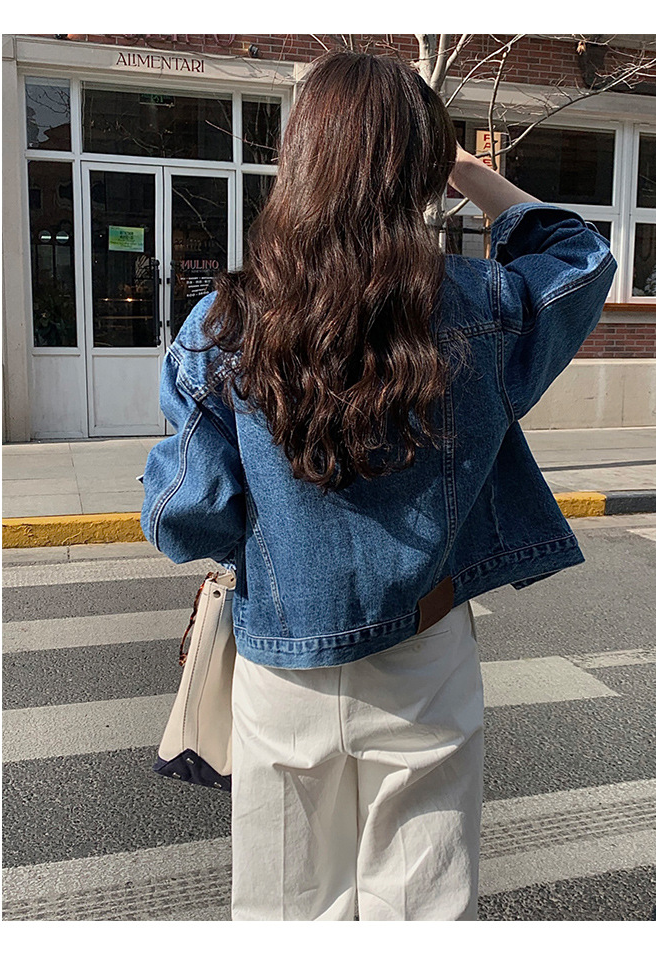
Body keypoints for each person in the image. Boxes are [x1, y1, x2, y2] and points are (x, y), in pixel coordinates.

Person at [140, 49, 617, 921]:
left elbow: (187, 520)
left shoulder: (222, 323)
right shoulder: (483, 304)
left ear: (299, 160)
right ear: (420, 174)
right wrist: (469, 168)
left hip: (281, 662)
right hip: (424, 656)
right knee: (423, 910)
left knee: (287, 911)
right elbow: (580, 256)